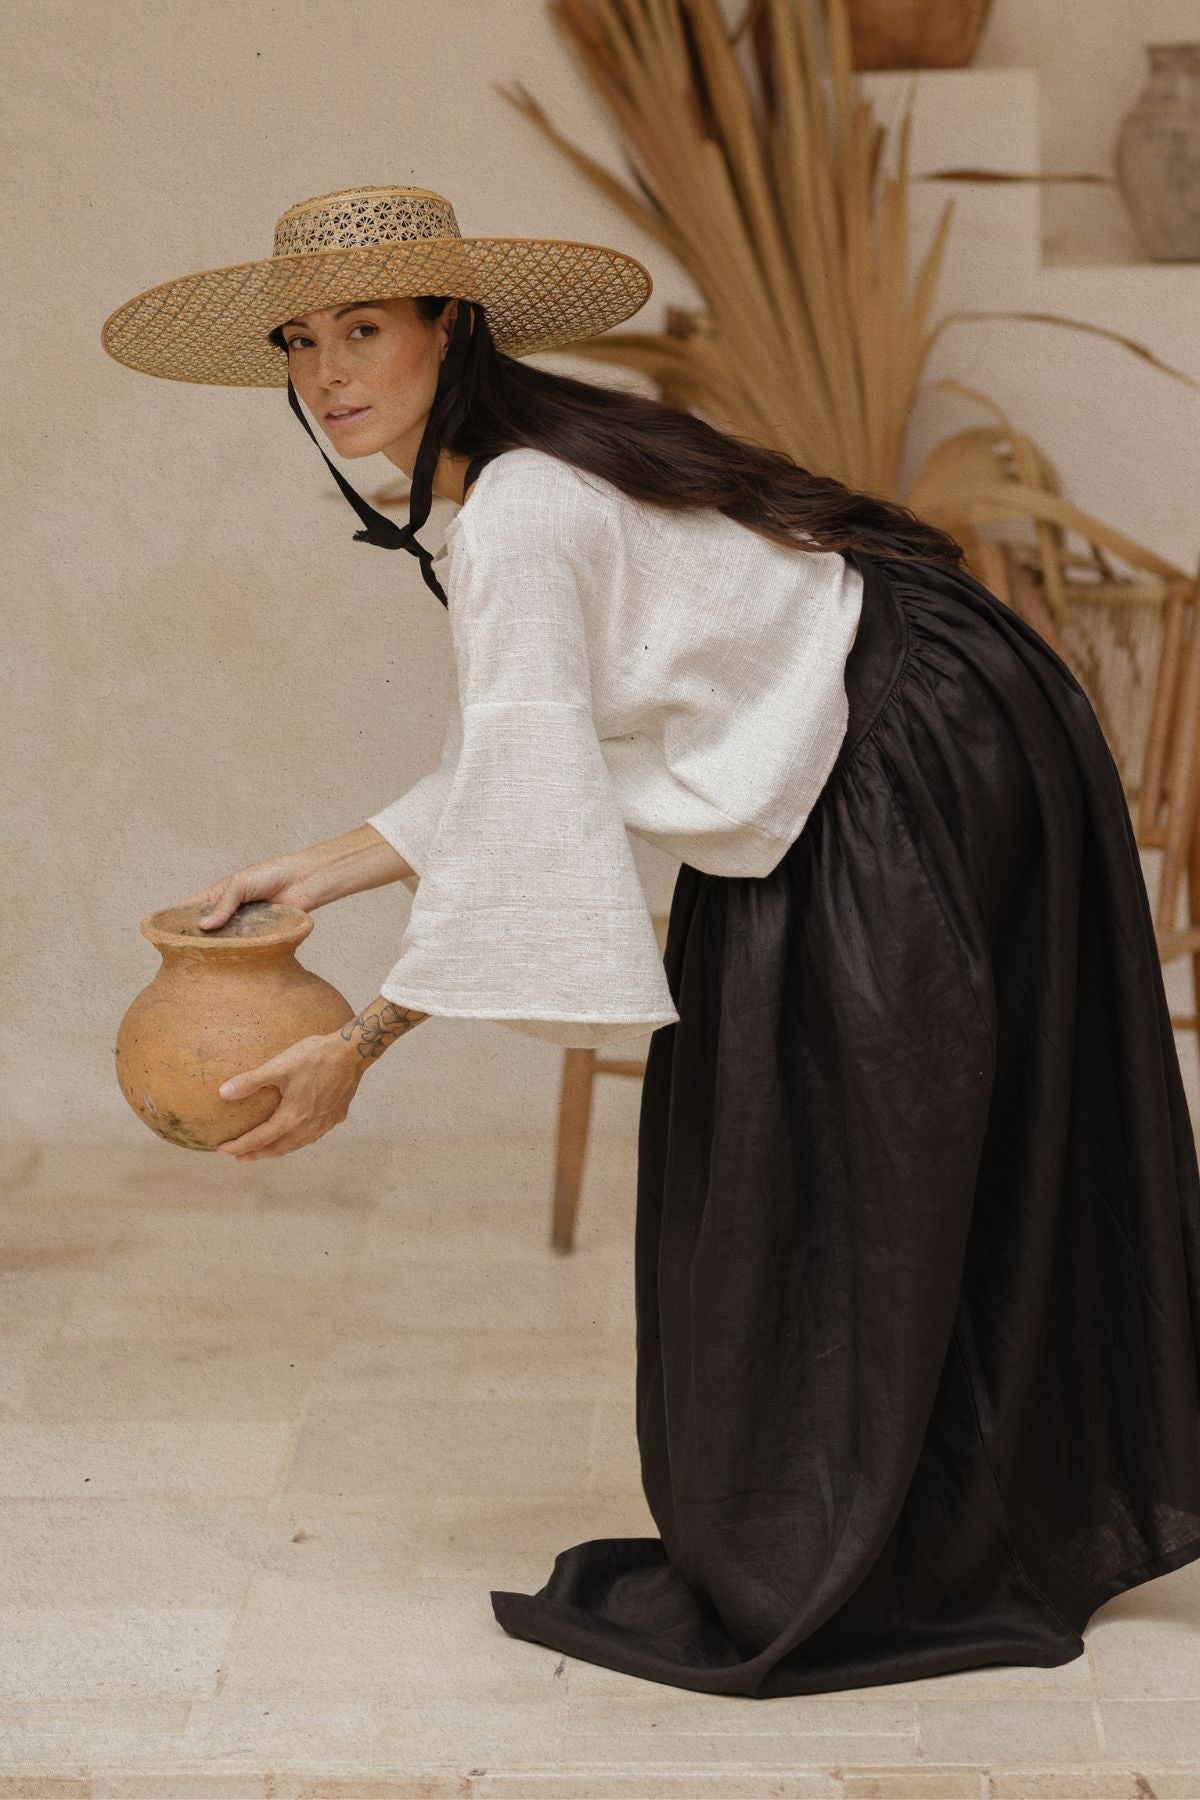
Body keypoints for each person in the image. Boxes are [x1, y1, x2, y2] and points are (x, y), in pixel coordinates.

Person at [101, 183, 1200, 1699]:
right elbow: (538, 746)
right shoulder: (527, 482)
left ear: (450, 330)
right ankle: (932, 1513)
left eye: (365, 330)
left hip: (909, 742)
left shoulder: (520, 515)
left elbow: (541, 791)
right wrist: (316, 870)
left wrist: (363, 1042)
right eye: (302, 342)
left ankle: (899, 1539)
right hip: (934, 706)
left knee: (848, 1147)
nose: (327, 372)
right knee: (846, 1142)